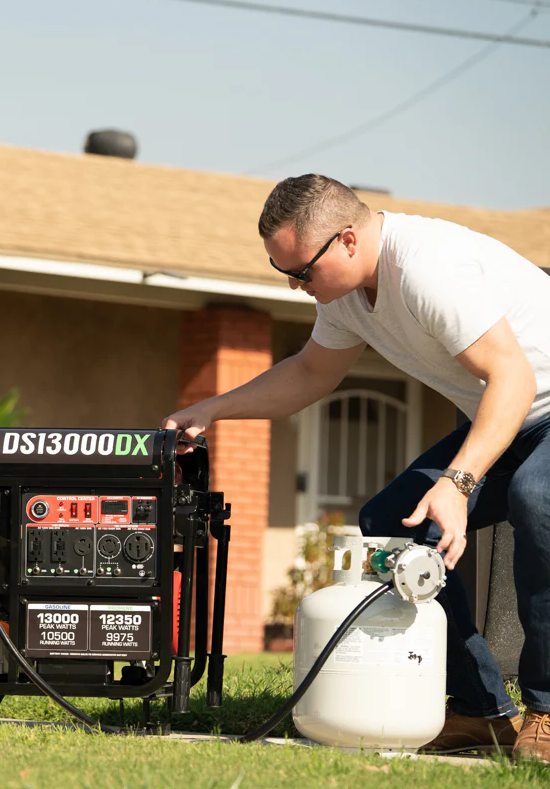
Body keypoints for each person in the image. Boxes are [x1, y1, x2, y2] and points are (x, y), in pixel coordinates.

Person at [162, 174, 550, 762]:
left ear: (347, 240)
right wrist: (213, 408)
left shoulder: (425, 268)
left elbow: (514, 379)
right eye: (283, 273)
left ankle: (546, 712)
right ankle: (482, 710)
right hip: (508, 416)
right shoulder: (344, 294)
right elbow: (309, 374)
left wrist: (459, 481)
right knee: (393, 521)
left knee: (536, 499)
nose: (295, 286)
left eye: (301, 272)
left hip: (531, 404)